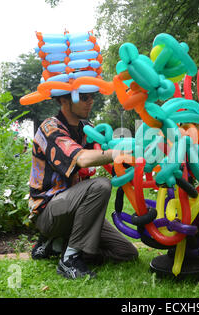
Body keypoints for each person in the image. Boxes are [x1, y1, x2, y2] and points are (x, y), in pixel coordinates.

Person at [28, 92, 138, 280]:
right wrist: (116, 152)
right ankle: (69, 259)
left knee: (126, 253)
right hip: (49, 211)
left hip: (78, 211)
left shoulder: (87, 129)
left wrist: (140, 157)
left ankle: (55, 245)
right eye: (84, 97)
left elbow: (109, 158)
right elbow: (83, 159)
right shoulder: (49, 128)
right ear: (64, 100)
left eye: (91, 96)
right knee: (100, 186)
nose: (91, 101)